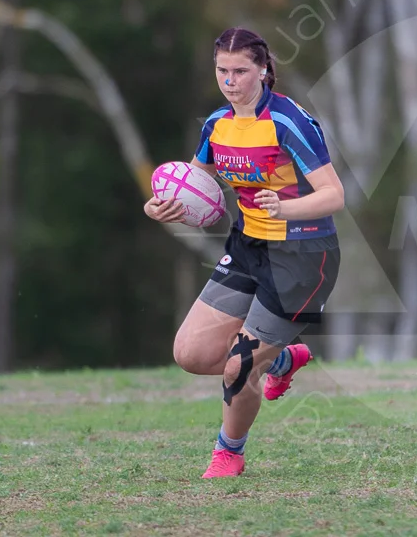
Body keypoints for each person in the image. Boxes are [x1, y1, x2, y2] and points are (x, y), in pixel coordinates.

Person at [144, 27, 344, 478]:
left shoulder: (288, 123)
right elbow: (192, 183)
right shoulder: (217, 125)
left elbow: (334, 195)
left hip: (301, 257)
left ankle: (228, 452)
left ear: (264, 70)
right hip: (248, 245)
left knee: (237, 367)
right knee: (191, 354)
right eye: (222, 71)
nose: (230, 81)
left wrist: (286, 208)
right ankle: (282, 359)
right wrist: (160, 206)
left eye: (240, 71)